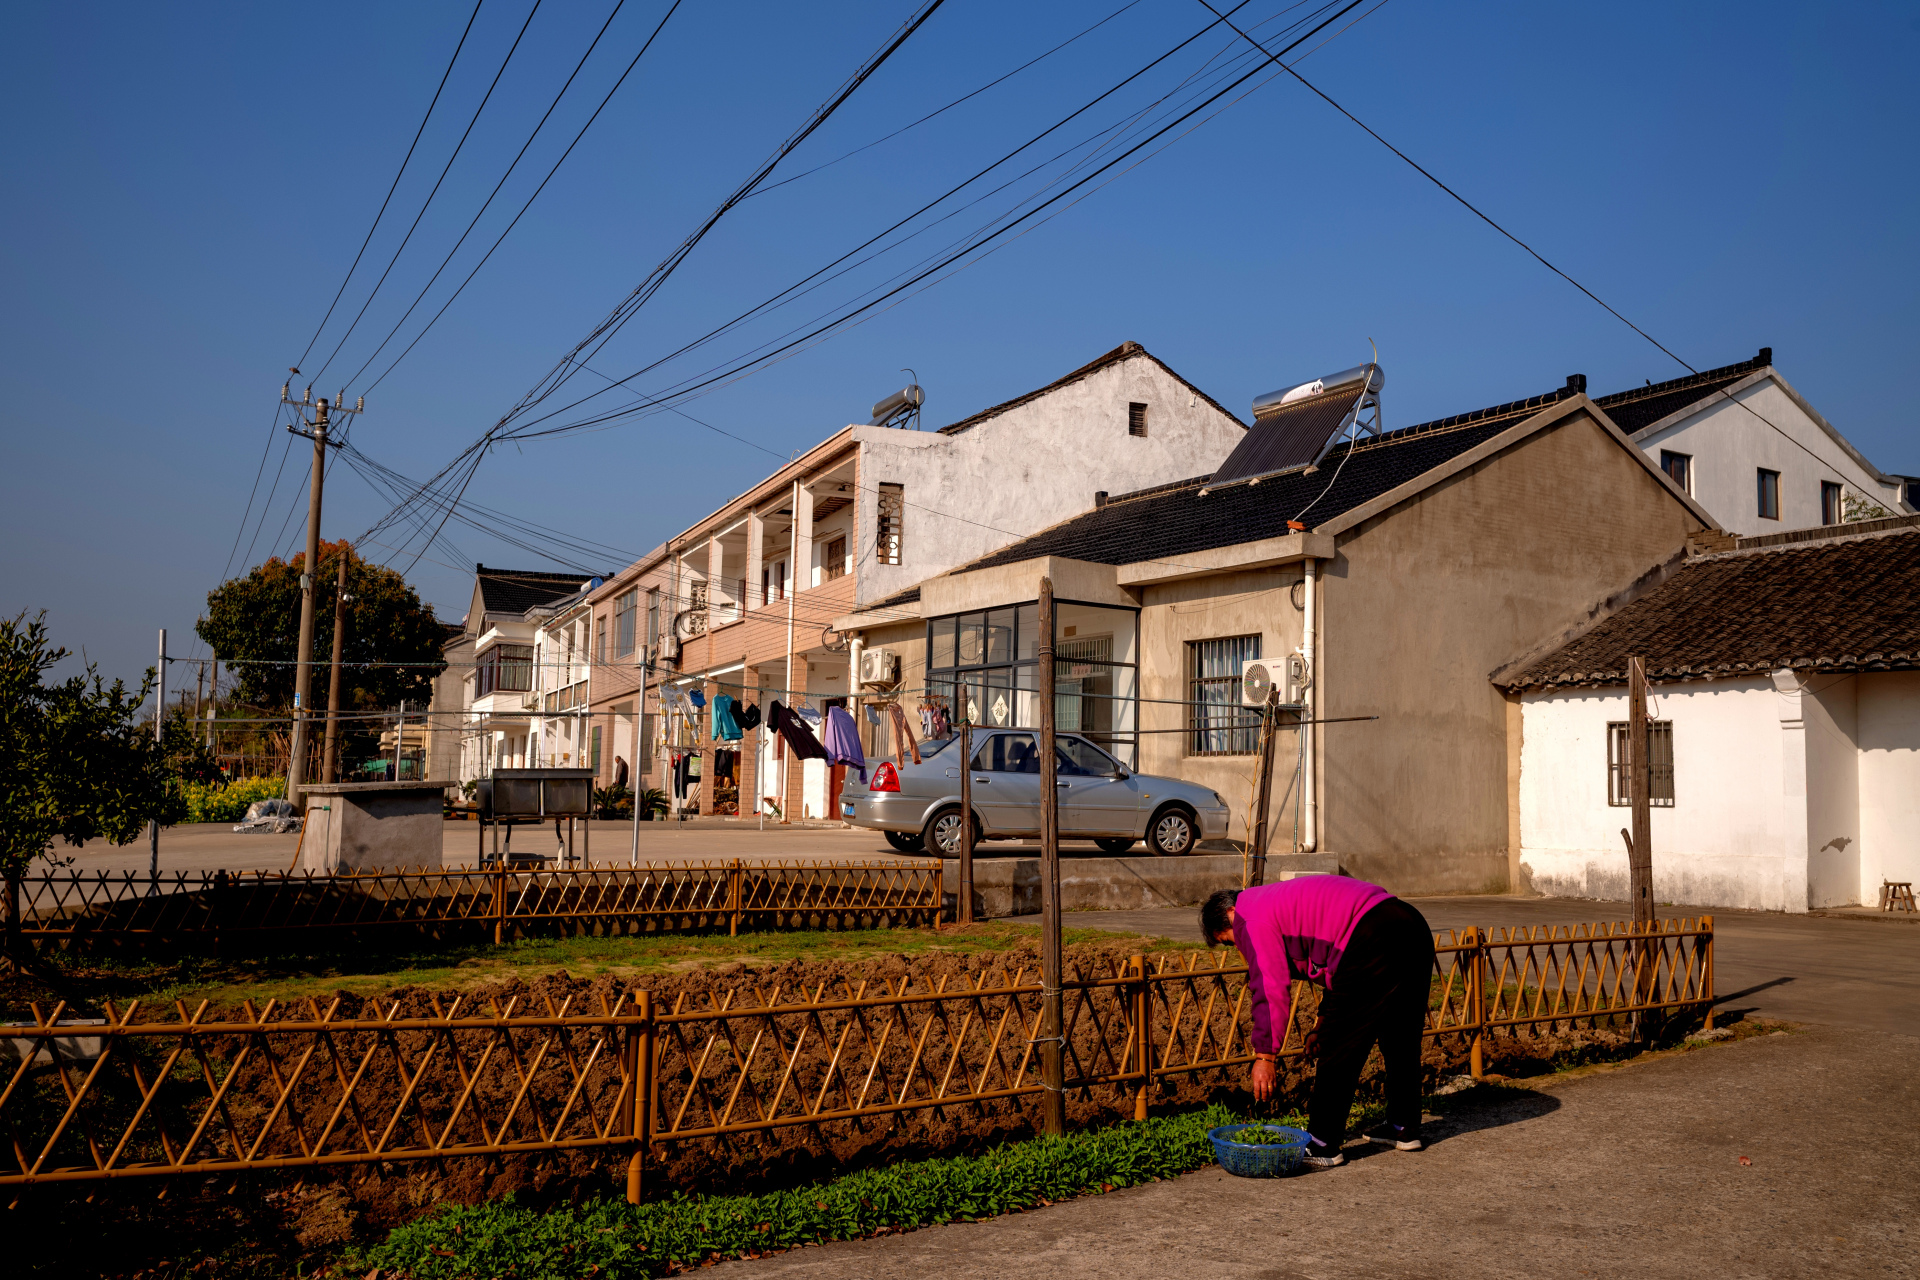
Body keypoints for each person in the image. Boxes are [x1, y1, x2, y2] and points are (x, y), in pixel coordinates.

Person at [1201, 877, 1435, 1168]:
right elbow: (1339, 967)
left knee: (1340, 1046)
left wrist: (1265, 1055)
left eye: (1228, 939)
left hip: (1372, 934)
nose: (1238, 947)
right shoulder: (1275, 901)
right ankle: (1403, 1127)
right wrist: (1324, 1022)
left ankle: (1323, 1143)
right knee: (1400, 1035)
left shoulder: (1251, 917)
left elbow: (1269, 986)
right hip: (1409, 923)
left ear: (1231, 914)